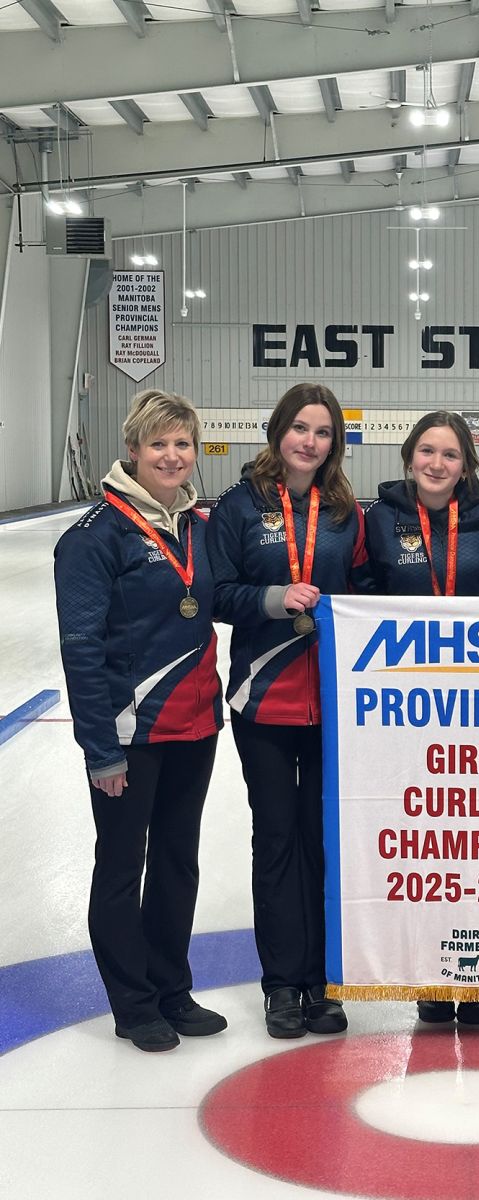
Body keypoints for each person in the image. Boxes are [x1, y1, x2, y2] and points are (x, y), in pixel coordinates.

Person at [54, 389, 225, 1053]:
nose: (172, 455)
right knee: (123, 868)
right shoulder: (95, 536)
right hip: (130, 734)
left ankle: (172, 988)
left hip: (195, 726)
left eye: (183, 443)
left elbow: (220, 601)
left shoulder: (197, 527)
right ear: (132, 450)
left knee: (178, 863)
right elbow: (81, 648)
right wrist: (100, 749)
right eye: (159, 443)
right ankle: (133, 1003)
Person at [206, 383, 369, 1039]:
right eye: (300, 428)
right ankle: (281, 985)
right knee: (276, 840)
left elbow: (365, 590)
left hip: (333, 705)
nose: (310, 441)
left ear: (335, 443)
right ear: (278, 432)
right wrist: (274, 599)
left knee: (324, 842)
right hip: (263, 701)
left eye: (323, 432)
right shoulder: (239, 505)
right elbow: (217, 592)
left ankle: (324, 982)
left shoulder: (345, 511)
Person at [365, 410, 479, 1024]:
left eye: (450, 454)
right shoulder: (379, 520)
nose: (436, 463)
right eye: (426, 451)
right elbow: (360, 596)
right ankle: (431, 971)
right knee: (425, 845)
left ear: (466, 464)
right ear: (409, 458)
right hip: (407, 709)